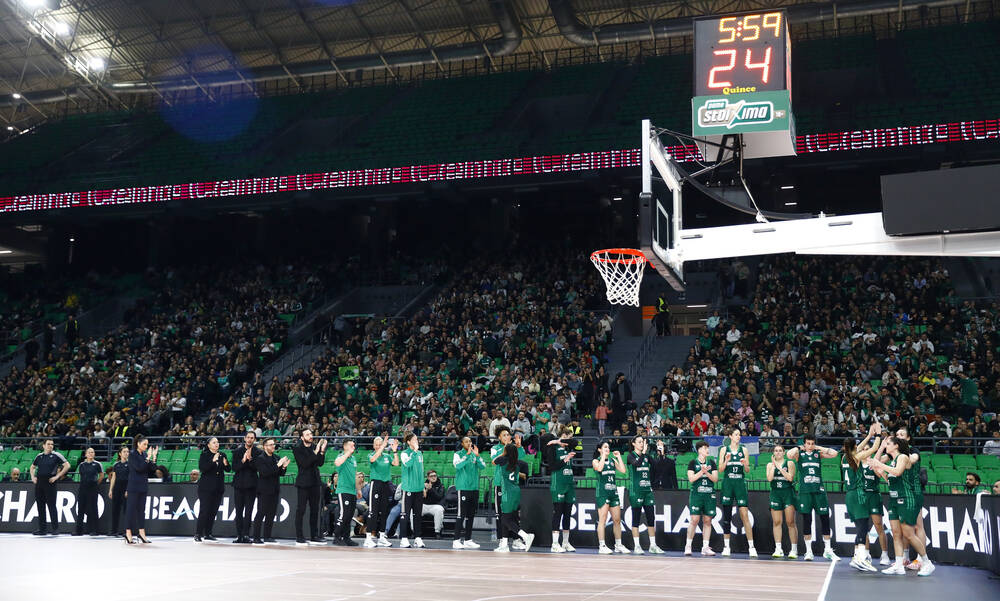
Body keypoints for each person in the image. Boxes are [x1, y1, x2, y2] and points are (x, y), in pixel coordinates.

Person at [868, 436, 935, 576]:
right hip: (893, 499)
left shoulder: (903, 457)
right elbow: (890, 478)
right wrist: (880, 472)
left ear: (896, 446)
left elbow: (898, 472)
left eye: (888, 444)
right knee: (896, 533)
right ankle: (899, 564)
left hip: (905, 498)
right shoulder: (891, 461)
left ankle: (927, 562)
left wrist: (879, 465)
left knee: (909, 534)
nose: (886, 445)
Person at [786, 435, 839, 561]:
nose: (810, 446)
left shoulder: (817, 454)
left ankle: (828, 550)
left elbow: (835, 454)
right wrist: (800, 447)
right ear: (804, 444)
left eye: (812, 443)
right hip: (805, 492)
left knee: (825, 519)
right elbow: (788, 455)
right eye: (808, 443)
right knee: (807, 520)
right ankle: (808, 551)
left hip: (819, 490)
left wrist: (818, 447)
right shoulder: (800, 454)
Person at [841, 423, 883, 572]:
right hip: (858, 494)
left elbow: (858, 448)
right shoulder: (857, 456)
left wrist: (869, 435)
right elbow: (874, 448)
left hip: (849, 495)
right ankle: (859, 558)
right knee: (862, 527)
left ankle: (858, 557)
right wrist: (878, 434)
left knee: (860, 526)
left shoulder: (845, 458)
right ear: (854, 447)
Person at [718, 428, 756, 557]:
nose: (738, 436)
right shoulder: (724, 450)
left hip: (740, 483)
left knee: (744, 514)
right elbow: (720, 469)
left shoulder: (744, 450)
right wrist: (726, 460)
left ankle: (752, 547)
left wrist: (745, 465)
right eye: (736, 434)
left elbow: (747, 470)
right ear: (730, 436)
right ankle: (726, 547)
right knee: (727, 517)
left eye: (739, 435)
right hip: (728, 484)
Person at [895, 427, 929, 571]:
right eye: (897, 434)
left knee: (917, 525)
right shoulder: (895, 453)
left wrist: (900, 456)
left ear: (908, 438)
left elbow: (913, 459)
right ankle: (905, 557)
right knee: (904, 527)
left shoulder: (913, 451)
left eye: (902, 434)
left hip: (914, 492)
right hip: (902, 493)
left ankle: (921, 559)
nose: (899, 436)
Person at [493, 443, 534, 553]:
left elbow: (493, 461)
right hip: (516, 490)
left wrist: (503, 453)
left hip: (507, 492)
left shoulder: (502, 460)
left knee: (505, 519)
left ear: (506, 451)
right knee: (510, 517)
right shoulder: (516, 463)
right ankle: (505, 545)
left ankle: (525, 536)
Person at [491, 427, 527, 550]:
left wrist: (519, 446)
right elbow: (494, 460)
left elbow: (521, 457)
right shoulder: (495, 448)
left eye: (508, 435)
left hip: (510, 485)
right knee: (500, 514)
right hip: (500, 484)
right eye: (504, 435)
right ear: (499, 437)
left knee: (513, 514)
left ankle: (516, 539)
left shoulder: (512, 448)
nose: (507, 437)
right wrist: (506, 448)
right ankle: (502, 540)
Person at [627, 435, 664, 554]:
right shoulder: (630, 456)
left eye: (642, 442)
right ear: (633, 444)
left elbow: (659, 466)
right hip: (636, 491)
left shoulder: (646, 456)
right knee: (636, 518)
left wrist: (661, 453)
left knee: (651, 518)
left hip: (647, 490)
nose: (641, 444)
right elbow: (637, 464)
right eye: (639, 442)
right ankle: (637, 546)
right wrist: (643, 453)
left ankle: (653, 545)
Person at [293, 428, 328, 545]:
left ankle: (314, 536)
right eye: (307, 434)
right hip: (303, 482)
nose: (310, 436)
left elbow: (320, 463)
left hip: (315, 482)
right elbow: (304, 464)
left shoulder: (314, 447)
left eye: (311, 434)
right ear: (302, 437)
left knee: (315, 510)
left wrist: (322, 451)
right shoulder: (298, 448)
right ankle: (299, 536)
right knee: (301, 510)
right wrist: (315, 451)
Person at [252, 438, 290, 544]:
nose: (273, 446)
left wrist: (284, 467)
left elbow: (280, 474)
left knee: (271, 514)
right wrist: (278, 465)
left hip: (274, 489)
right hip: (264, 490)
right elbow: (265, 473)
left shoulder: (276, 457)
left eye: (274, 444)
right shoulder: (260, 458)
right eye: (271, 444)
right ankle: (256, 537)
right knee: (261, 513)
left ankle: (267, 536)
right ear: (265, 447)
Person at [593, 440, 627, 554]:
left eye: (608, 447)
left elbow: (623, 470)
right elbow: (600, 468)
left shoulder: (612, 460)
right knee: (602, 520)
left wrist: (619, 457)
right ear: (599, 449)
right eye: (605, 447)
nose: (608, 449)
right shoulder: (595, 460)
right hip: (603, 492)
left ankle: (618, 545)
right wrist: (603, 456)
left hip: (613, 492)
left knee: (617, 520)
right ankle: (602, 546)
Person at [685, 440, 718, 556]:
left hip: (709, 494)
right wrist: (701, 472)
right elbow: (691, 479)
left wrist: (707, 473)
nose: (707, 450)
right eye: (705, 448)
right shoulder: (692, 463)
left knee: (708, 520)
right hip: (696, 495)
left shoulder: (712, 462)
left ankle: (705, 547)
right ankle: (688, 546)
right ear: (699, 450)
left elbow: (715, 479)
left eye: (707, 448)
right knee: (694, 520)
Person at [29, 439, 69, 536]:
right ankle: (42, 529)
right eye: (48, 444)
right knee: (40, 506)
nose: (50, 446)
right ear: (43, 445)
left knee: (51, 506)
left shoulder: (56, 455)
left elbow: (67, 465)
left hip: (50, 482)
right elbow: (32, 467)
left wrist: (57, 476)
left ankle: (55, 529)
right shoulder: (39, 456)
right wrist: (33, 477)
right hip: (39, 483)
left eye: (52, 444)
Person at [452, 436, 486, 549]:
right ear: (462, 443)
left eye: (470, 441)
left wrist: (477, 455)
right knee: (461, 514)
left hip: (474, 488)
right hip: (463, 488)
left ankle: (467, 539)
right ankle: (456, 540)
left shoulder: (474, 455)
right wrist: (466, 456)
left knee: (471, 515)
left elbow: (483, 466)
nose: (469, 443)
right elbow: (457, 466)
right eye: (466, 441)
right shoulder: (458, 454)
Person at [195, 437, 231, 542]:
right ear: (209, 445)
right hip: (206, 487)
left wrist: (226, 464)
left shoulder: (222, 454)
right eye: (214, 442)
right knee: (204, 510)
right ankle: (198, 533)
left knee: (213, 511)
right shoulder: (205, 455)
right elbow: (203, 468)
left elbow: (228, 469)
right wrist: (213, 460)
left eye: (217, 442)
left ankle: (208, 533)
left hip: (218, 487)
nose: (216, 444)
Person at [548, 426, 577, 553]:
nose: (571, 440)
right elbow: (552, 466)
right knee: (558, 513)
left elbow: (575, 443)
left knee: (567, 514)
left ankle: (565, 542)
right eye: (568, 437)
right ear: (563, 436)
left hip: (569, 483)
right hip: (558, 483)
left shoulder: (569, 446)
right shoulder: (553, 447)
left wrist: (567, 442)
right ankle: (555, 543)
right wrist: (565, 459)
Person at [125, 435, 158, 544]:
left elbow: (152, 469)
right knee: (130, 510)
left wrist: (153, 457)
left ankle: (141, 533)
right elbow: (139, 468)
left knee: (141, 511)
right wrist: (148, 459)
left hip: (143, 485)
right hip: (133, 486)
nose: (146, 446)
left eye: (147, 444)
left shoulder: (144, 454)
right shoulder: (132, 454)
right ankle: (128, 533)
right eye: (144, 444)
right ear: (138, 444)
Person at [364, 436, 397, 548]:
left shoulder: (387, 456)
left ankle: (382, 537)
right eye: (376, 444)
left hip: (386, 484)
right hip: (376, 484)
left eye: (380, 444)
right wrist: (382, 447)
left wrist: (395, 451)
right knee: (373, 511)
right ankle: (368, 538)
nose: (378, 446)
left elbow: (396, 464)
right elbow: (373, 460)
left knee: (384, 511)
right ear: (374, 446)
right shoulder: (371, 455)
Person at [766, 445, 797, 558]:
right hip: (775, 494)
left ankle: (793, 549)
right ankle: (778, 548)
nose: (778, 453)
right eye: (776, 451)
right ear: (773, 453)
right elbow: (769, 479)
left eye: (780, 451)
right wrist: (774, 466)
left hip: (787, 493)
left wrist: (779, 467)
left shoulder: (789, 463)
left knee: (790, 522)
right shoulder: (770, 465)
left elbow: (790, 478)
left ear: (784, 453)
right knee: (777, 522)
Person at [231, 430, 262, 544]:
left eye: (252, 438)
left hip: (252, 485)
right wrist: (243, 460)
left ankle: (246, 535)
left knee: (249, 511)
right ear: (244, 438)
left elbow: (257, 468)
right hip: (239, 485)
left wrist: (250, 459)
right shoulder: (237, 451)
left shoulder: (258, 452)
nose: (249, 439)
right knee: (239, 511)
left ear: (254, 439)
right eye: (248, 437)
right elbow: (234, 468)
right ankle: (239, 535)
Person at [398, 432, 426, 548]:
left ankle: (417, 538)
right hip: (408, 488)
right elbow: (408, 464)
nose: (417, 441)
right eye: (414, 440)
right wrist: (414, 452)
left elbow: (421, 471)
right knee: (405, 514)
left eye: (417, 439)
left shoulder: (420, 453)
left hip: (418, 489)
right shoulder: (405, 453)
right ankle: (404, 538)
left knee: (418, 515)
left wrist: (423, 486)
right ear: (409, 442)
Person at [332, 439, 360, 546]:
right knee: (343, 514)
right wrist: (347, 452)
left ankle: (346, 537)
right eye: (351, 445)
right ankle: (337, 537)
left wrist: (358, 489)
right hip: (343, 490)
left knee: (349, 516)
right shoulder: (341, 457)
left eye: (354, 445)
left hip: (352, 491)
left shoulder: (353, 459)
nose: (353, 447)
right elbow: (337, 463)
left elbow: (354, 474)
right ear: (345, 447)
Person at [74, 448, 103, 536]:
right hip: (83, 487)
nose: (91, 454)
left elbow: (101, 475)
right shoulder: (82, 465)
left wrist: (96, 484)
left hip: (93, 488)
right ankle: (79, 530)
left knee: (93, 509)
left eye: (92, 452)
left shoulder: (98, 464)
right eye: (89, 452)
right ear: (86, 454)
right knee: (81, 509)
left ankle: (95, 530)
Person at [107, 447, 129, 537]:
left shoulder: (130, 464)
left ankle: (126, 531)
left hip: (125, 489)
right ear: (120, 454)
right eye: (124, 452)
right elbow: (113, 478)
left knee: (126, 511)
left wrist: (128, 489)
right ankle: (114, 531)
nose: (126, 453)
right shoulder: (116, 465)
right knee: (115, 510)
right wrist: (110, 490)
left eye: (127, 452)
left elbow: (131, 478)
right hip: (117, 489)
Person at [422, 470, 446, 538]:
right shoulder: (423, 484)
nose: (433, 477)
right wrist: (425, 490)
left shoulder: (441, 485)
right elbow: (422, 497)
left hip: (436, 505)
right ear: (428, 477)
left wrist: (431, 489)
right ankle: (414, 531)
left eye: (435, 476)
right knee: (414, 510)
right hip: (424, 505)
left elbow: (439, 497)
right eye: (431, 476)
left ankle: (437, 532)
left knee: (439, 510)